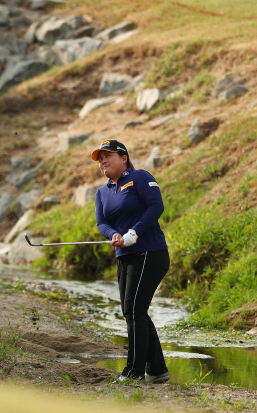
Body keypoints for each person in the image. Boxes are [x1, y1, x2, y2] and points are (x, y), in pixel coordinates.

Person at [92, 140, 170, 384]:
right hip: (125, 256)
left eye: (108, 156)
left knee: (134, 311)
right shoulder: (102, 191)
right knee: (133, 311)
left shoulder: (139, 177)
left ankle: (134, 371)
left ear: (123, 158)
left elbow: (156, 206)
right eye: (100, 158)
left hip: (149, 252)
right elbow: (101, 222)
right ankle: (157, 369)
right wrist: (113, 234)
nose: (103, 161)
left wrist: (134, 233)